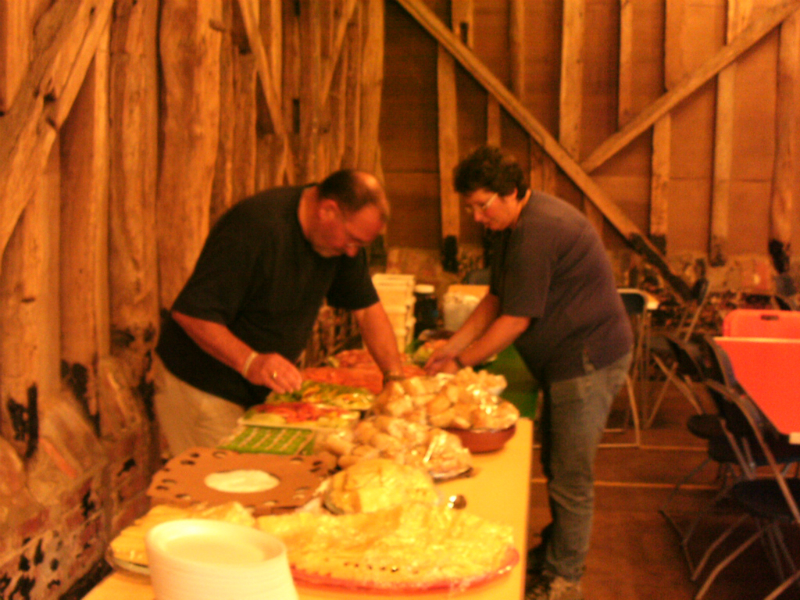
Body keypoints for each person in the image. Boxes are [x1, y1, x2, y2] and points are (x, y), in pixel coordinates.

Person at [425, 146, 633, 600]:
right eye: (470, 207)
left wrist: (461, 363)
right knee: (554, 461)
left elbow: (516, 320)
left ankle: (565, 577)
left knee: (570, 472)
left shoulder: (539, 231)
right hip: (562, 359)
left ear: (512, 192)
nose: (477, 217)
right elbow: (496, 298)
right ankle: (557, 550)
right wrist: (451, 348)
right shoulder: (508, 227)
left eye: (483, 205)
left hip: (587, 360)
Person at [155, 170, 405, 455]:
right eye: (351, 241)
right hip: (202, 384)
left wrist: (394, 379)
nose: (352, 252)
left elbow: (368, 311)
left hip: (257, 390)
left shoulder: (342, 242)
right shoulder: (255, 226)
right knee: (223, 478)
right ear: (327, 210)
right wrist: (252, 362)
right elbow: (192, 314)